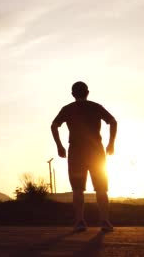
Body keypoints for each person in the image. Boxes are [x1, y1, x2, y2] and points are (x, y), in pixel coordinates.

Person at [51, 81, 117, 232]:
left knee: (77, 189)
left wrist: (59, 146)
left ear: (73, 94)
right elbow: (113, 121)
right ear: (87, 92)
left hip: (76, 152)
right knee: (101, 189)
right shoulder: (96, 107)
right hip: (96, 152)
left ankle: (80, 221)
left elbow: (54, 125)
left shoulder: (67, 109)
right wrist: (111, 143)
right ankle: (105, 221)